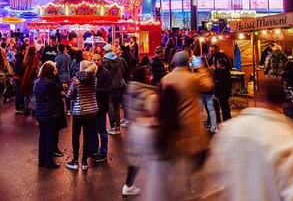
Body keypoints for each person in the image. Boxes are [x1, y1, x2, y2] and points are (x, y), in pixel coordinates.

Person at [203, 78, 293, 201]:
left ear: (258, 97)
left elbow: (215, 177)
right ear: (284, 102)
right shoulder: (289, 139)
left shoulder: (229, 130)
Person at [148, 51, 213, 199]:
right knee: (192, 157)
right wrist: (200, 67)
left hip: (173, 124)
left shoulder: (166, 78)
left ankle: (181, 185)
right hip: (191, 124)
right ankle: (185, 186)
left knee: (178, 157)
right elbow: (208, 85)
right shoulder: (191, 78)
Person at [121, 66, 159, 197]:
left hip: (134, 127)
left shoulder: (130, 88)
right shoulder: (148, 93)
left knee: (135, 159)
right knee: (156, 160)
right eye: (148, 75)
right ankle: (159, 190)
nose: (150, 76)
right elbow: (154, 111)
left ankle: (128, 185)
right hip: (147, 129)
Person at [66, 60, 98, 171]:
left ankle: (75, 161)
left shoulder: (75, 80)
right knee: (87, 136)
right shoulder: (94, 79)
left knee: (76, 136)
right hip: (91, 111)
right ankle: (84, 162)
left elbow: (69, 96)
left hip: (78, 111)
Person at [34, 62, 63, 169]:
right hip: (50, 113)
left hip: (40, 112)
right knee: (50, 136)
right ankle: (49, 161)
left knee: (42, 137)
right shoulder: (50, 83)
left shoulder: (37, 82)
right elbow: (57, 94)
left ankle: (41, 160)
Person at [91, 53, 112, 162]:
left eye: (98, 60)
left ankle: (103, 151)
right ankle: (94, 150)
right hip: (92, 107)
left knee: (102, 131)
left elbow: (108, 90)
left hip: (101, 107)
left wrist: (95, 90)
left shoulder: (106, 74)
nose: (96, 62)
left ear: (101, 61)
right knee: (93, 130)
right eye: (94, 60)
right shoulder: (89, 73)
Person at [103, 44, 127, 135]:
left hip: (110, 85)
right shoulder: (118, 59)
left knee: (110, 106)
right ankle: (117, 127)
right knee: (116, 106)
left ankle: (112, 126)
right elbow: (123, 71)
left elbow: (106, 74)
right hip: (119, 85)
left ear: (105, 51)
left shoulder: (105, 60)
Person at [20, 47, 39, 115]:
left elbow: (23, 66)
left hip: (25, 77)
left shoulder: (26, 57)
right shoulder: (35, 58)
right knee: (33, 94)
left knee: (26, 95)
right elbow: (34, 67)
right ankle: (34, 110)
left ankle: (26, 109)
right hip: (32, 77)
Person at [213, 57, 232, 122]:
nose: (217, 65)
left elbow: (220, 83)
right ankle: (228, 118)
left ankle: (225, 120)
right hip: (226, 92)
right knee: (226, 106)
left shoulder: (221, 72)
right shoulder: (227, 71)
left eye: (217, 63)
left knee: (223, 107)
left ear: (220, 64)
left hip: (222, 92)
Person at [13, 44, 27, 113]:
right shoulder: (20, 59)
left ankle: (21, 106)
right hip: (18, 77)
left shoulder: (20, 58)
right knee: (19, 92)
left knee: (20, 92)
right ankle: (17, 107)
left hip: (17, 77)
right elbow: (18, 69)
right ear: (23, 50)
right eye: (26, 49)